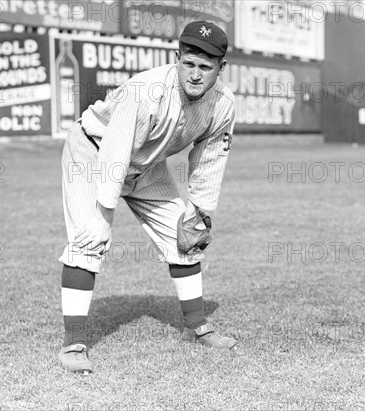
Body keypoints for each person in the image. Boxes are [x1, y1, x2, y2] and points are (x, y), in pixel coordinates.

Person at [58, 20, 237, 373]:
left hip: (146, 163)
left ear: (221, 69)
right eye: (188, 63)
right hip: (93, 153)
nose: (196, 75)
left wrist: (199, 212)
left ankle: (199, 327)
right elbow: (115, 152)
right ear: (176, 58)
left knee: (182, 234)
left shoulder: (223, 104)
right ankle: (73, 343)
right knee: (88, 239)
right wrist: (102, 216)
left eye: (205, 67)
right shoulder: (144, 90)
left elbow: (210, 158)